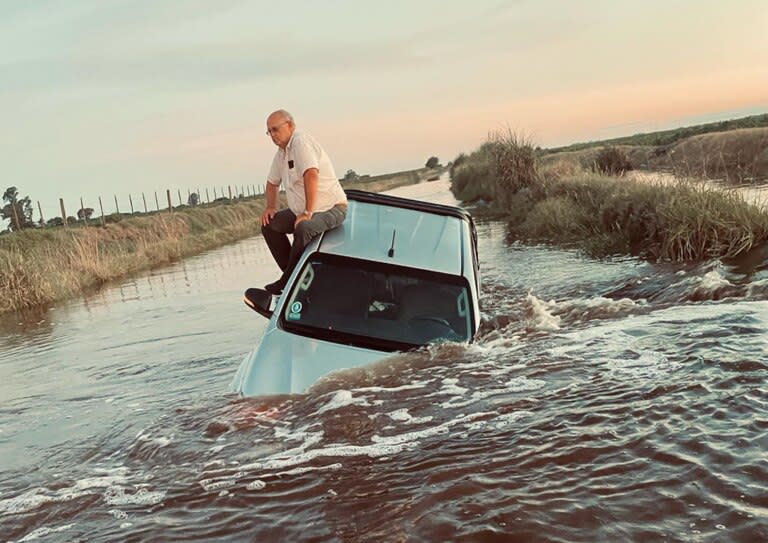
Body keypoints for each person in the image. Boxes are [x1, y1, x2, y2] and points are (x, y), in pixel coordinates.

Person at [260, 109, 348, 294]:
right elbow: (271, 183)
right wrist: (270, 207)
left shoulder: (300, 142)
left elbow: (311, 175)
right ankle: (292, 275)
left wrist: (308, 212)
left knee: (304, 228)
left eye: (275, 129)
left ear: (290, 125)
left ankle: (288, 281)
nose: (272, 135)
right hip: (300, 211)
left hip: (330, 209)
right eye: (269, 132)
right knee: (269, 225)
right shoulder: (282, 153)